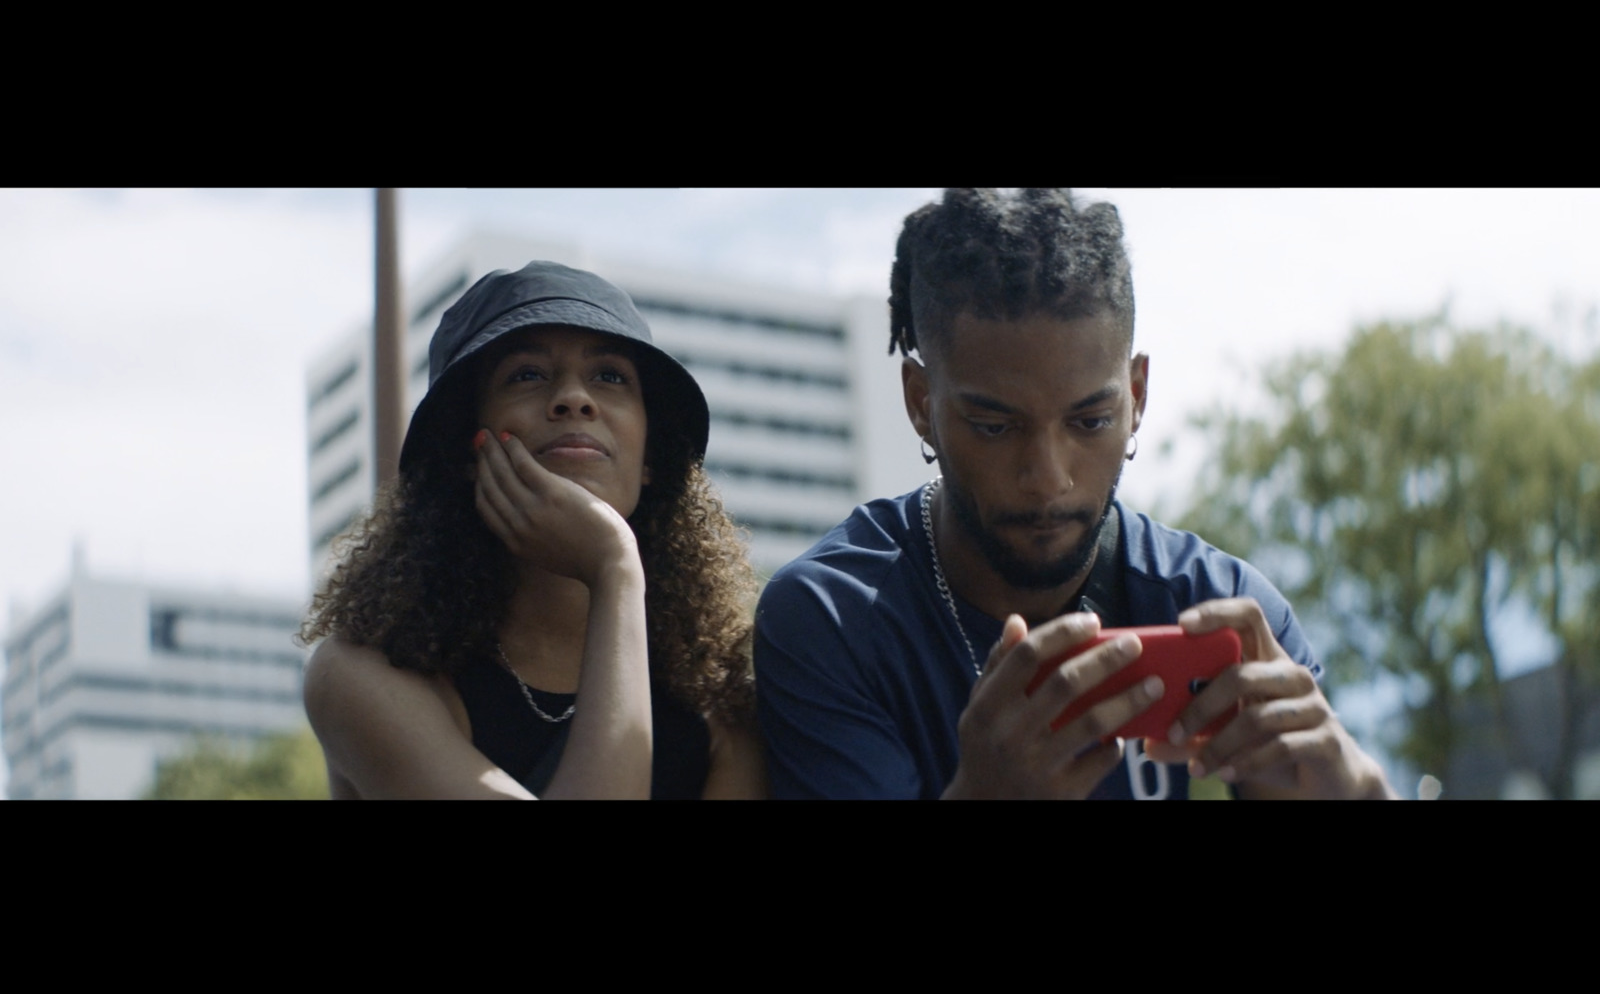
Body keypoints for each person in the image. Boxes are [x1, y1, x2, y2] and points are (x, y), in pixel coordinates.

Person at [754, 189, 1395, 800]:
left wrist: (1351, 785)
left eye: (1090, 422)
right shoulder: (828, 619)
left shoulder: (1222, 607)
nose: (1049, 475)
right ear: (921, 404)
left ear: (1137, 396)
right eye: (995, 426)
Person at [300, 260, 764, 799]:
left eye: (610, 376)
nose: (574, 398)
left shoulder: (722, 701)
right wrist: (614, 568)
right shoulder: (365, 673)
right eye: (527, 374)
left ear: (650, 457)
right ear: (465, 450)